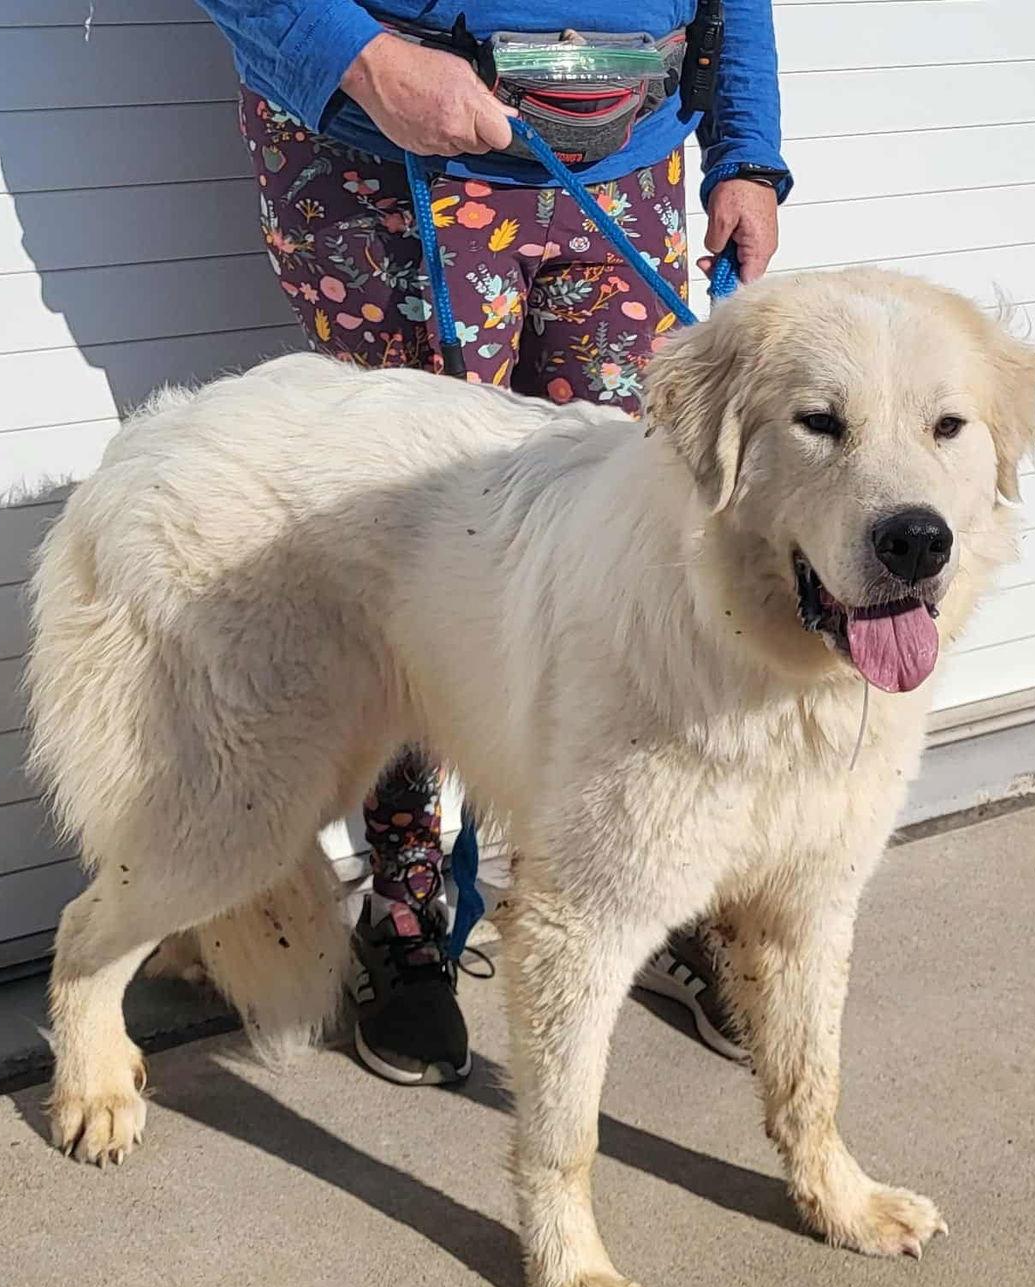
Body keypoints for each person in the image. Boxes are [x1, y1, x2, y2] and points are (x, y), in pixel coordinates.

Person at [194, 0, 792, 1084]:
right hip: (391, 167)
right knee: (411, 562)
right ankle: (408, 907)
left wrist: (746, 151)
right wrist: (363, 59)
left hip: (623, 164)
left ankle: (616, 883)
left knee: (621, 551)